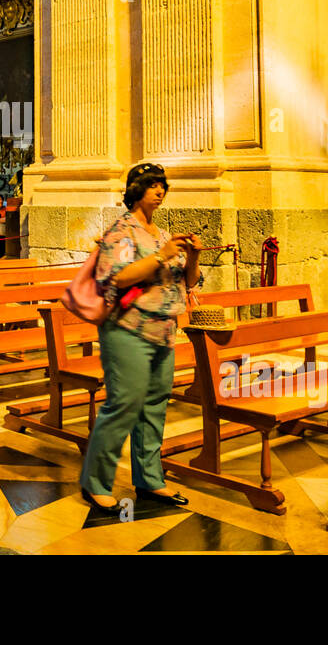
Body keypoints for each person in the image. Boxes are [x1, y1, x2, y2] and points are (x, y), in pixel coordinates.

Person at [80, 162, 202, 512]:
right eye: (152, 185)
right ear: (137, 190)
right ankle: (95, 482)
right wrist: (160, 257)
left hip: (163, 331)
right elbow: (117, 277)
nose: (159, 191)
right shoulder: (122, 231)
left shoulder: (162, 234)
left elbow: (189, 282)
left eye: (162, 186)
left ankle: (150, 480)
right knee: (124, 405)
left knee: (154, 405)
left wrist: (190, 256)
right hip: (127, 329)